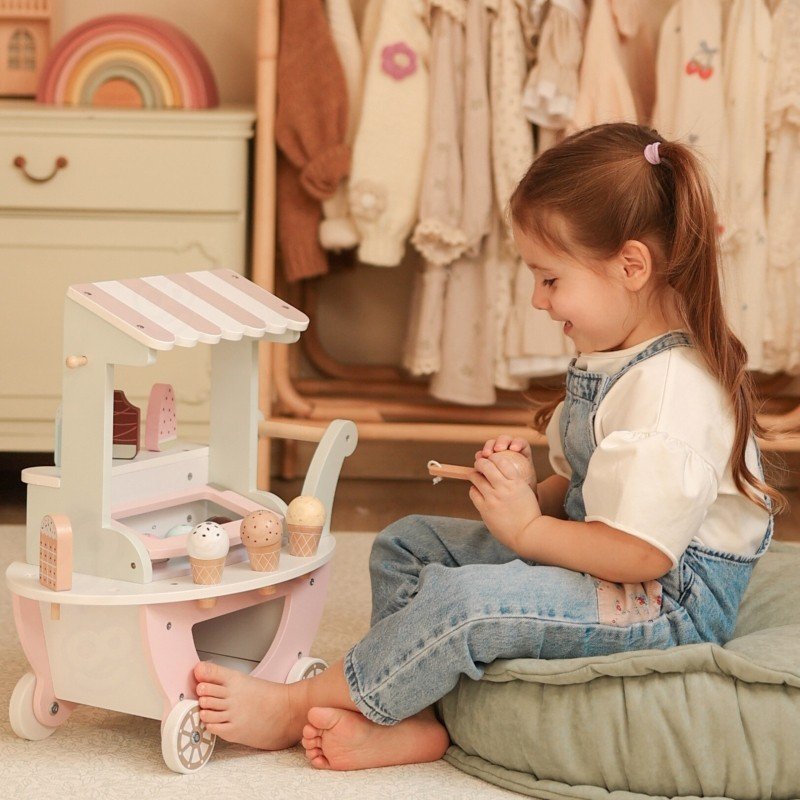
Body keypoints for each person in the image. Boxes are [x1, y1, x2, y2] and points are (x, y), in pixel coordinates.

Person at [193, 122, 784, 771]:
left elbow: (640, 552)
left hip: (666, 598)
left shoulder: (671, 395)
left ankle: (297, 703)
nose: (536, 299)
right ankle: (411, 713)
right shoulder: (618, 356)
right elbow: (586, 491)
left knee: (462, 600)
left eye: (550, 278)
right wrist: (524, 495)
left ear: (631, 266)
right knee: (409, 543)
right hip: (610, 551)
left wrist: (527, 531)